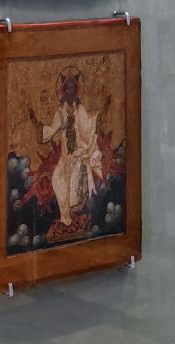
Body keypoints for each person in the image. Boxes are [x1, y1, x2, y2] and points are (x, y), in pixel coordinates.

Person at [19, 67, 111, 240]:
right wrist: (35, 122)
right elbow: (49, 132)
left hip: (78, 159)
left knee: (74, 192)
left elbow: (89, 126)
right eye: (67, 88)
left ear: (76, 91)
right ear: (62, 91)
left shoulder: (80, 110)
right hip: (65, 160)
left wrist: (102, 113)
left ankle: (74, 221)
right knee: (57, 182)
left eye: (72, 88)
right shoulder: (60, 113)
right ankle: (66, 221)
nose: (70, 91)